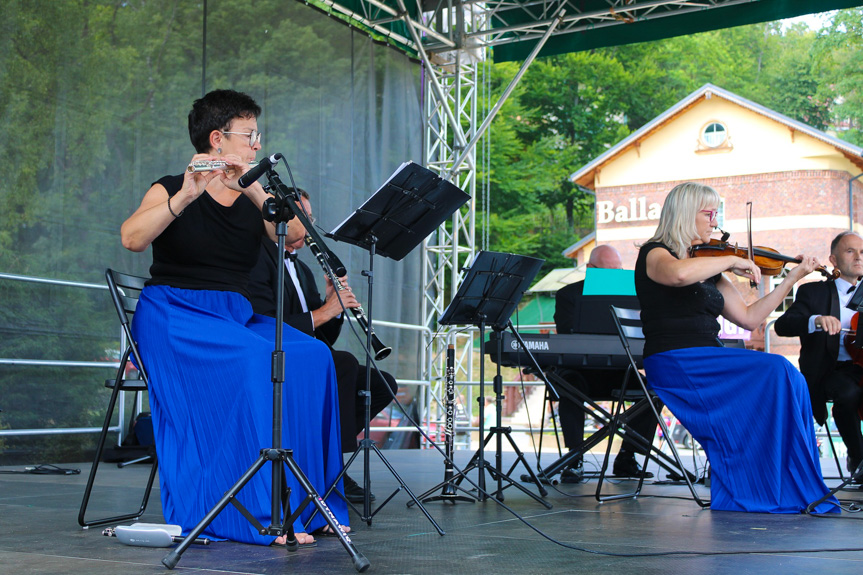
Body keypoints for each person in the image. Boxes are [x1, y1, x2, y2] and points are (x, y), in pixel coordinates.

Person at [120, 89, 348, 545]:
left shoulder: (253, 196)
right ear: (217, 138)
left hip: (232, 315)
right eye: (250, 135)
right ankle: (262, 512)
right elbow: (131, 238)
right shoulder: (169, 185)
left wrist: (254, 185)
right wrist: (185, 195)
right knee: (254, 362)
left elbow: (297, 234)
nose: (258, 144)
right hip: (175, 315)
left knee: (313, 356)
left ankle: (310, 504)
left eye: (257, 135)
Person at [635, 181, 837, 513]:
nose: (715, 223)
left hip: (708, 356)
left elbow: (749, 316)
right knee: (777, 370)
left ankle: (781, 482)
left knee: (789, 376)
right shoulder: (656, 252)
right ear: (687, 213)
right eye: (709, 214)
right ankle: (761, 484)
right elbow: (678, 276)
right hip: (675, 359)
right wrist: (729, 260)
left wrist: (792, 278)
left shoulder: (710, 262)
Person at [247, 189, 398, 503]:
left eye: (311, 219)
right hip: (269, 358)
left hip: (308, 356)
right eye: (304, 219)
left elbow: (322, 335)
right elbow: (261, 322)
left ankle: (317, 454)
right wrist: (326, 310)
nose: (310, 227)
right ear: (279, 218)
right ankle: (333, 470)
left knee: (382, 384)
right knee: (341, 363)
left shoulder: (301, 269)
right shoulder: (256, 258)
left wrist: (334, 305)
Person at [554, 245, 659, 483]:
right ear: (591, 269)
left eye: (617, 271)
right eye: (606, 271)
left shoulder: (635, 296)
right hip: (580, 371)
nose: (613, 277)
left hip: (619, 371)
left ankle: (627, 457)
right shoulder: (568, 295)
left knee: (654, 391)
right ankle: (574, 458)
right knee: (568, 385)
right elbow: (567, 337)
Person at [775, 231, 863, 481]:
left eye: (862, 252)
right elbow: (784, 325)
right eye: (850, 251)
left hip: (861, 367)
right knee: (848, 392)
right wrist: (816, 320)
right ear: (833, 260)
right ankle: (859, 457)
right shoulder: (812, 292)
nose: (858, 257)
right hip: (829, 371)